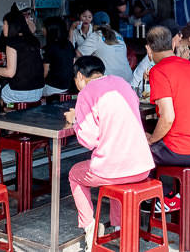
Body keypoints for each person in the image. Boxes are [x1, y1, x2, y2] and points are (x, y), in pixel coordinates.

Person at [64, 55, 154, 244]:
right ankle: (120, 228)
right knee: (116, 177)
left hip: (113, 169)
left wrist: (76, 119)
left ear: (80, 76)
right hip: (142, 166)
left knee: (74, 175)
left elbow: (89, 140)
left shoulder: (86, 93)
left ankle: (89, 226)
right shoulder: (121, 83)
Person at [145, 25, 190, 207]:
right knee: (157, 141)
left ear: (148, 49)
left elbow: (168, 117)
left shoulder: (158, 71)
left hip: (182, 151)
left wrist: (151, 139)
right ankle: (175, 193)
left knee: (141, 148)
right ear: (173, 44)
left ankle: (161, 199)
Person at [0, 6, 45, 114]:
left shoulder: (12, 43)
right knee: (4, 100)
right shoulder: (33, 41)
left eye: (5, 24)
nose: (3, 27)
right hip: (38, 92)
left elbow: (10, 73)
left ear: (12, 26)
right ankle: (10, 124)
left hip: (21, 93)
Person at [42, 17, 76, 97]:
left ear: (50, 29)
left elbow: (44, 73)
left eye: (44, 27)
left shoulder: (51, 47)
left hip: (52, 88)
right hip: (66, 86)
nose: (42, 29)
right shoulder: (69, 45)